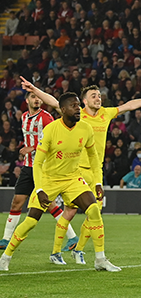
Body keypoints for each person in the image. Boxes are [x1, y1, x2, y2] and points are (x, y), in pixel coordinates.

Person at [21, 78, 141, 254]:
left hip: (96, 171)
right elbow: (53, 101)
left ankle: (78, 250)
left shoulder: (106, 113)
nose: (98, 98)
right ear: (85, 101)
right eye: (94, 96)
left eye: (99, 95)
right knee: (70, 212)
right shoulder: (77, 114)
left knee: (93, 213)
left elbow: (129, 105)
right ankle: (56, 251)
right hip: (76, 172)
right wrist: (35, 89)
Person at [0, 93, 120, 271]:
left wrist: (98, 183)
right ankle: (5, 257)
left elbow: (94, 158)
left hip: (72, 178)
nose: (78, 109)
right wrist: (40, 189)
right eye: (73, 106)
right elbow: (38, 163)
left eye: (78, 105)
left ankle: (100, 260)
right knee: (31, 221)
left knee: (94, 210)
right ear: (63, 110)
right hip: (49, 180)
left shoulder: (85, 129)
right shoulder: (51, 130)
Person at [0, 92, 77, 250]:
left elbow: (55, 139)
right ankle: (6, 239)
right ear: (27, 100)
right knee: (16, 202)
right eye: (33, 97)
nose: (37, 100)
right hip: (28, 167)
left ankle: (72, 237)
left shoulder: (46, 117)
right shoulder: (24, 117)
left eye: (39, 98)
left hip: (44, 167)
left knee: (49, 205)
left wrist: (33, 148)